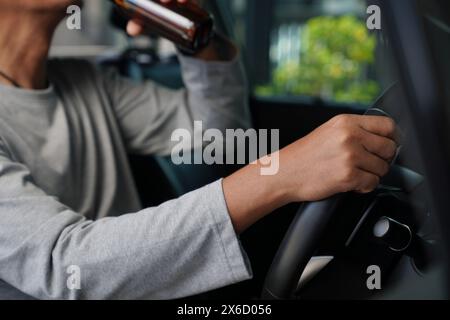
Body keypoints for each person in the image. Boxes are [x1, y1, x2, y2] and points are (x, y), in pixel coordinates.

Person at [0, 0, 398, 299]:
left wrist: (198, 39)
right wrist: (278, 174)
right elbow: (67, 265)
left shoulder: (87, 84)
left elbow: (217, 137)